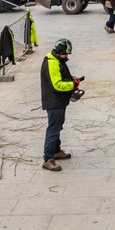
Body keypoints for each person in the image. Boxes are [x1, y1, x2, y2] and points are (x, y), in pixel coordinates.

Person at [40, 38, 81, 172]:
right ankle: (48, 159)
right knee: (53, 128)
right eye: (65, 54)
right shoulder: (51, 63)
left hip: (59, 100)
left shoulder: (58, 60)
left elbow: (61, 76)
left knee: (58, 126)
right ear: (59, 52)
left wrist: (72, 79)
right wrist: (72, 85)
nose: (67, 57)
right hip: (54, 101)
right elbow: (56, 84)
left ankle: (56, 151)